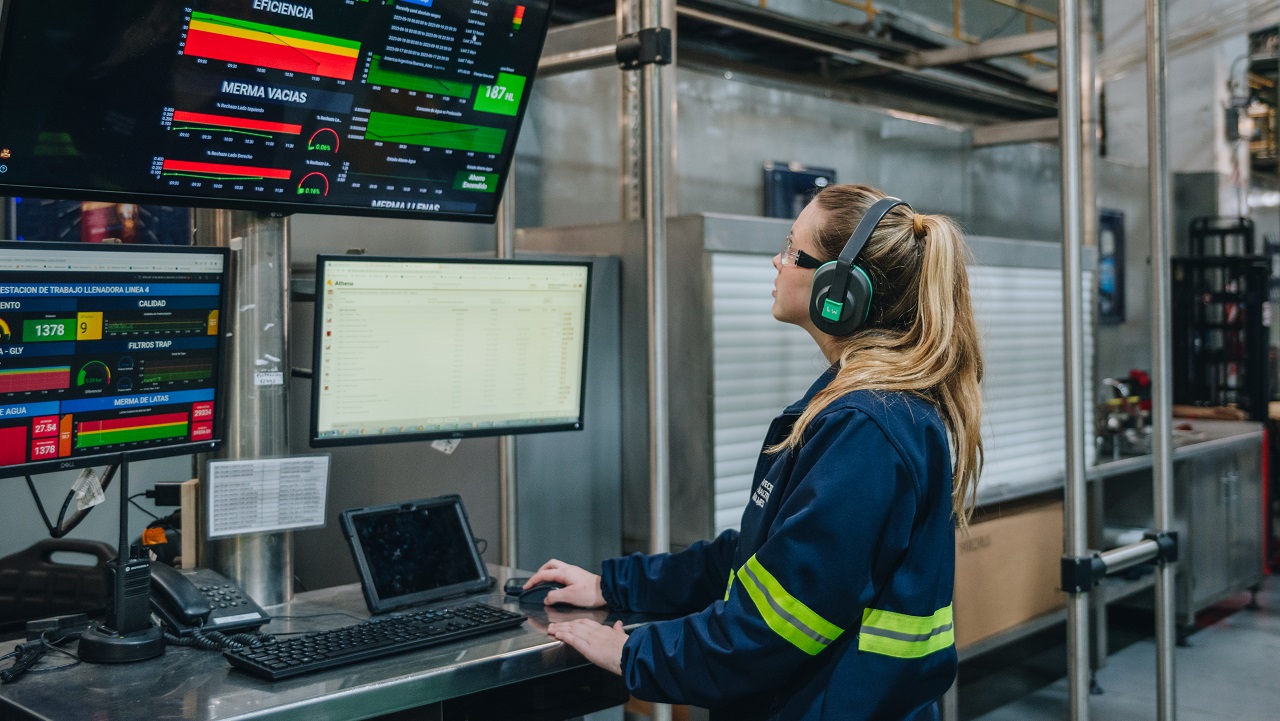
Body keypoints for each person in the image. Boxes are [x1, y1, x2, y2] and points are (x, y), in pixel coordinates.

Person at [524, 183, 984, 721]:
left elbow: (771, 629)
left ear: (838, 288)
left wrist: (631, 652)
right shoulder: (864, 409)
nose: (777, 261)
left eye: (793, 250)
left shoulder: (865, 429)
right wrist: (613, 584)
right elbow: (759, 561)